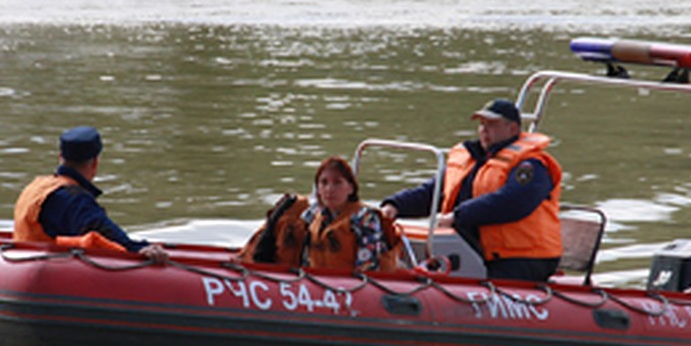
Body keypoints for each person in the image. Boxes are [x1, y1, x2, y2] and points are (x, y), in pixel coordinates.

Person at [380, 98, 562, 283]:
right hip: (473, 249)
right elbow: (433, 192)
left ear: (513, 129)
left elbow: (512, 202)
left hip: (521, 256)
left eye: (492, 125)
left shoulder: (532, 166)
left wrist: (457, 216)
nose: (484, 130)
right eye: (482, 124)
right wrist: (395, 205)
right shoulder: (470, 160)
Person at [13, 125, 166, 261]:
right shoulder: (72, 199)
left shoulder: (37, 186)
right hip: (44, 270)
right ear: (95, 163)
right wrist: (140, 249)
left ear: (61, 158)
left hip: (19, 261)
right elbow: (107, 235)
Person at [238, 156, 403, 273]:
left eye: (338, 183)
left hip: (349, 288)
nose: (330, 189)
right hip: (315, 285)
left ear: (350, 188)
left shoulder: (365, 218)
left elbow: (368, 268)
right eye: (324, 183)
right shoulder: (313, 215)